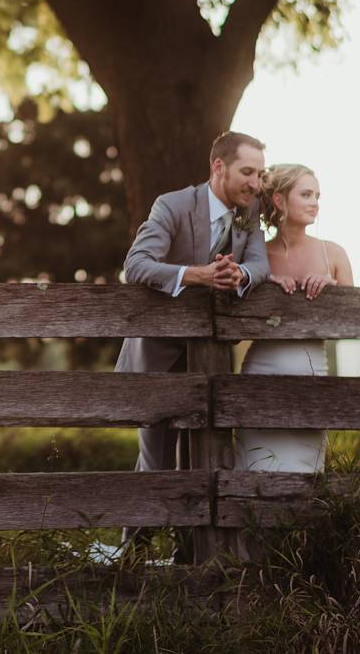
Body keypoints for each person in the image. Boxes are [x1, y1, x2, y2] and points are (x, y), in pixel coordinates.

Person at [118, 131, 270, 473]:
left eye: (260, 175)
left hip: (212, 355)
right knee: (157, 462)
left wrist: (240, 275)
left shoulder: (250, 210)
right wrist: (198, 275)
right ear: (219, 166)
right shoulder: (173, 205)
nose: (256, 184)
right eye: (247, 172)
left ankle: (185, 530)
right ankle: (139, 529)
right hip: (159, 354)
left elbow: (260, 264)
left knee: (205, 461)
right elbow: (137, 265)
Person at [234, 163, 353, 473]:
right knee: (257, 469)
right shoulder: (257, 255)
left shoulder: (334, 254)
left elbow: (354, 320)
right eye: (306, 194)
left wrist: (334, 289)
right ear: (279, 200)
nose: (315, 202)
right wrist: (262, 283)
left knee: (305, 472)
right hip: (261, 374)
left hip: (312, 374)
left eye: (317, 195)